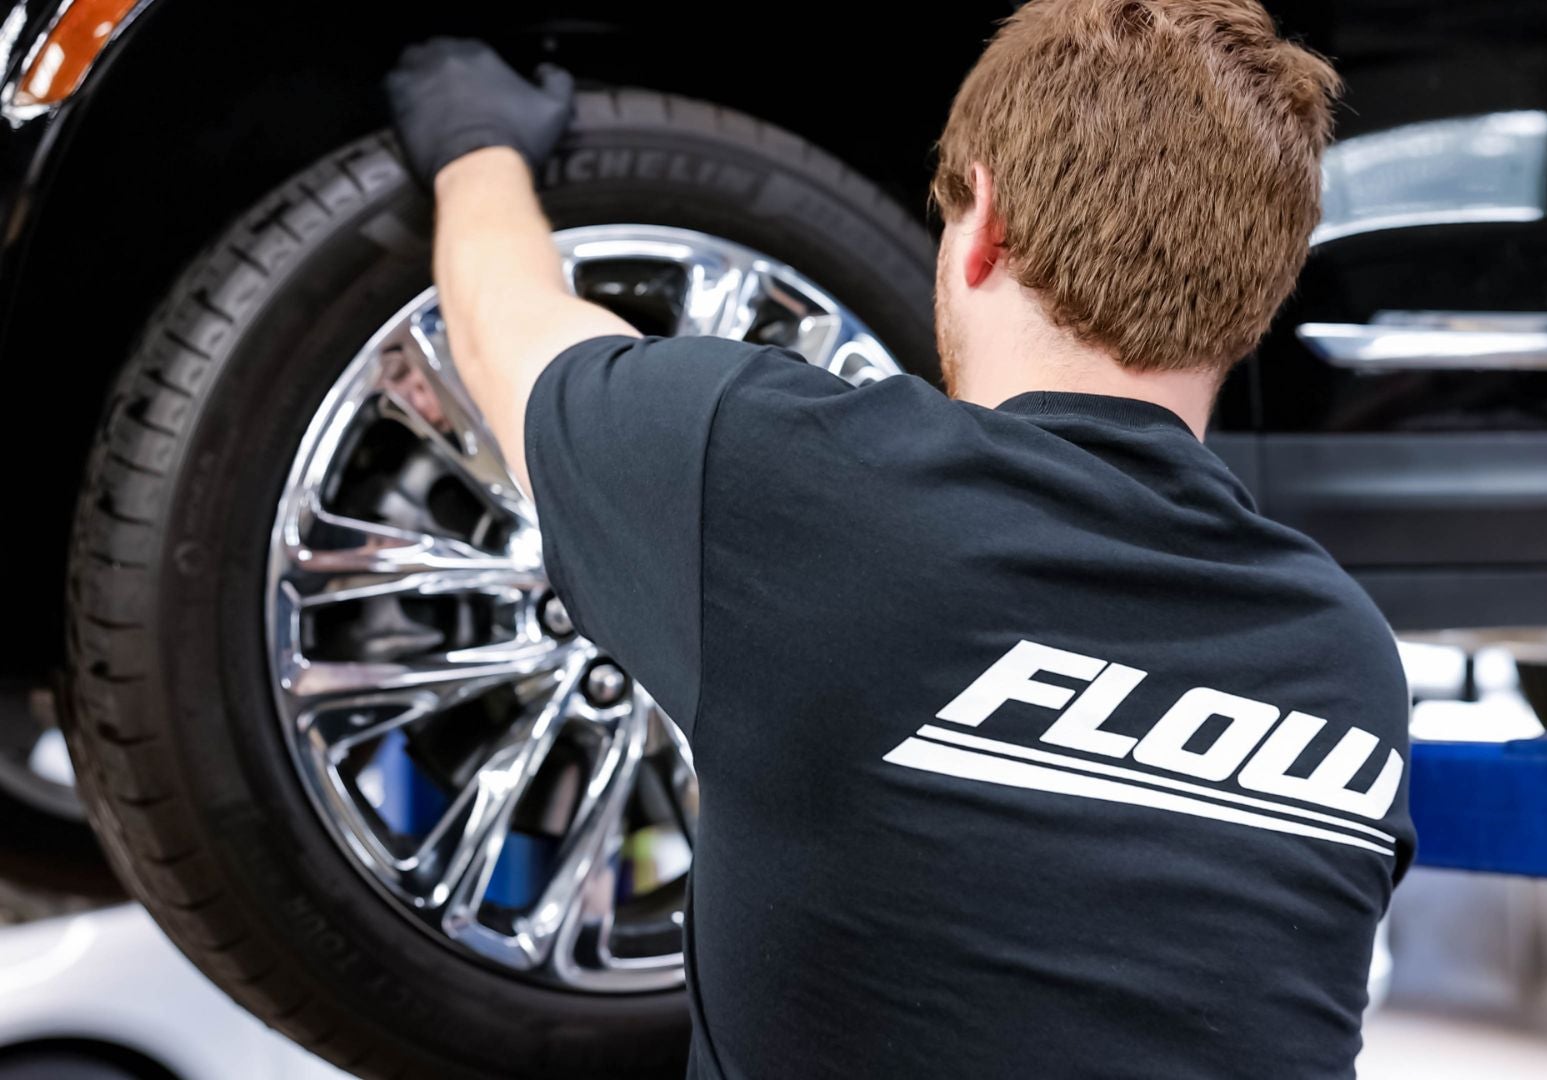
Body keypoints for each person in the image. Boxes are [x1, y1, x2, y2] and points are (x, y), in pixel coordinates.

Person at [385, 2, 1411, 1076]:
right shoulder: (1347, 658)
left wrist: (474, 143)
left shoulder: (781, 482)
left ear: (986, 228)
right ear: (1256, 300)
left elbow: (507, 331)